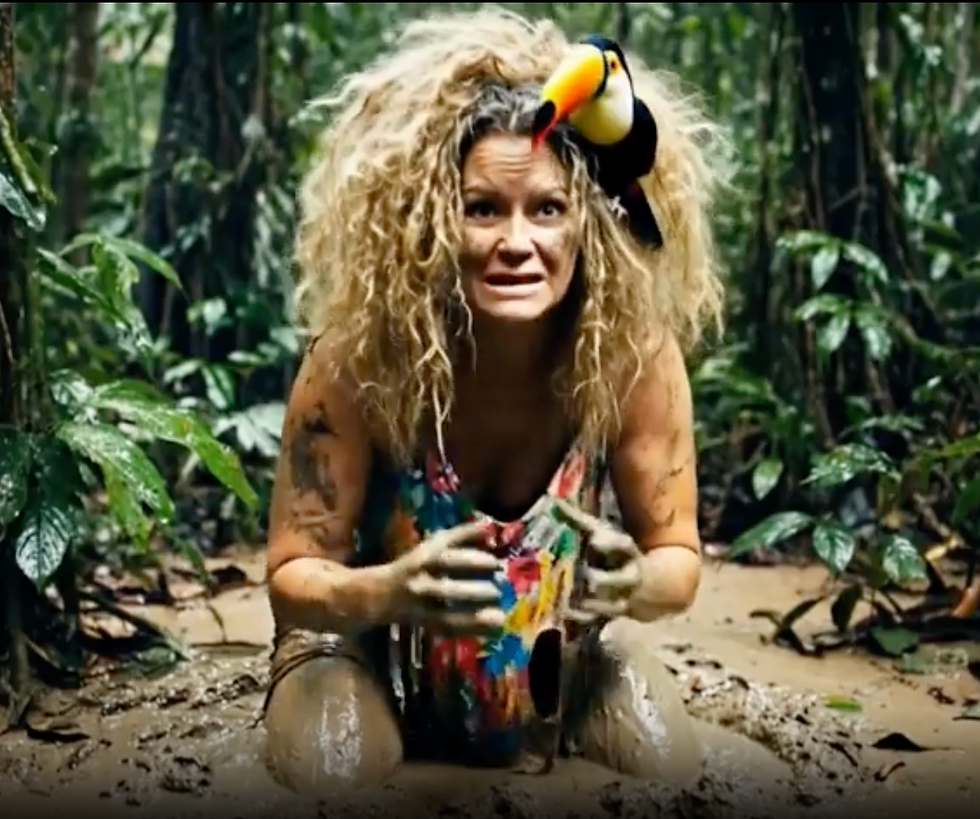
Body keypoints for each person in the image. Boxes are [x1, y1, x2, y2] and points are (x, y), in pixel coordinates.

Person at [262, 7, 728, 798]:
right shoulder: (357, 358)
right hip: (367, 650)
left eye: (546, 208)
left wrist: (634, 585)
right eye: (484, 208)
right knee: (330, 770)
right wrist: (387, 590)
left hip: (561, 660)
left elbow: (677, 559)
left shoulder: (632, 356)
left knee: (665, 765)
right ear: (434, 220)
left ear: (591, 224)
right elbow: (290, 570)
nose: (518, 240)